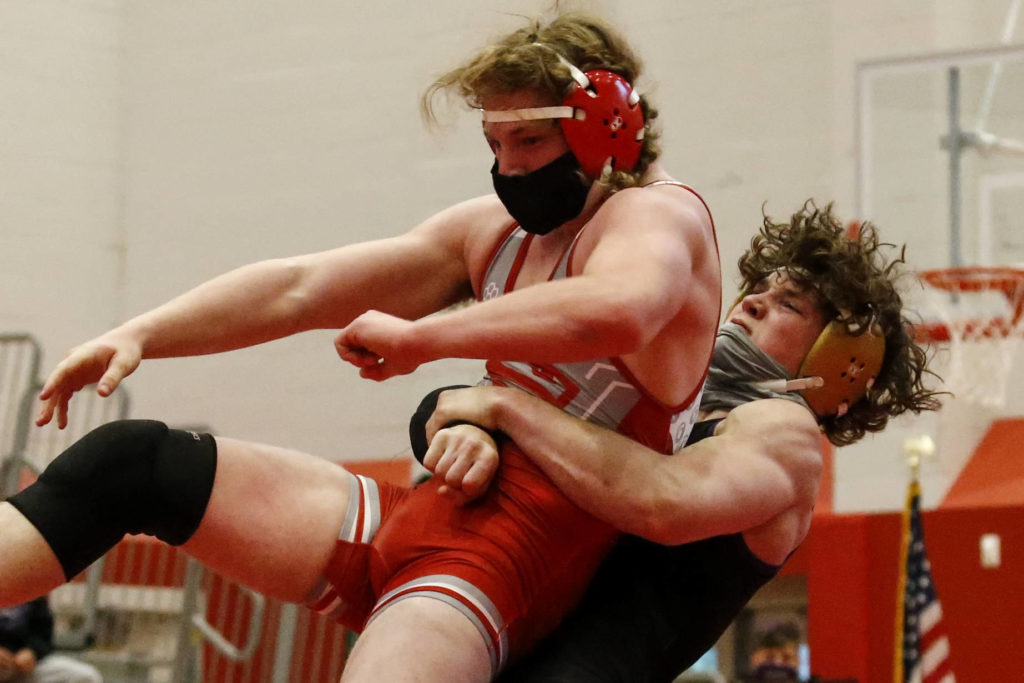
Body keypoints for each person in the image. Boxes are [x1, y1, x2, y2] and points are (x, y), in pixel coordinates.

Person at [0, 13, 720, 683]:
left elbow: (615, 312)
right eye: (494, 144)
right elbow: (302, 288)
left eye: (529, 142)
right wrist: (143, 333)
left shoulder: (660, 218)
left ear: (609, 124)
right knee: (131, 464)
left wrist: (423, 337)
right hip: (422, 517)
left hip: (509, 566)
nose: (508, 169)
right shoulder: (495, 233)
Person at [413, 202, 941, 682]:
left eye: (790, 306)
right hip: (499, 631)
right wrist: (469, 431)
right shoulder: (677, 394)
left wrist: (505, 410)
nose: (752, 302)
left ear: (835, 362)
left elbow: (661, 503)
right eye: (757, 288)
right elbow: (454, 406)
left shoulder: (786, 433)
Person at [0, 597, 102, 683]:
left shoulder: (30, 589)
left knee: (86, 676)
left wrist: (32, 651)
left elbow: (44, 635)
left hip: (25, 666)